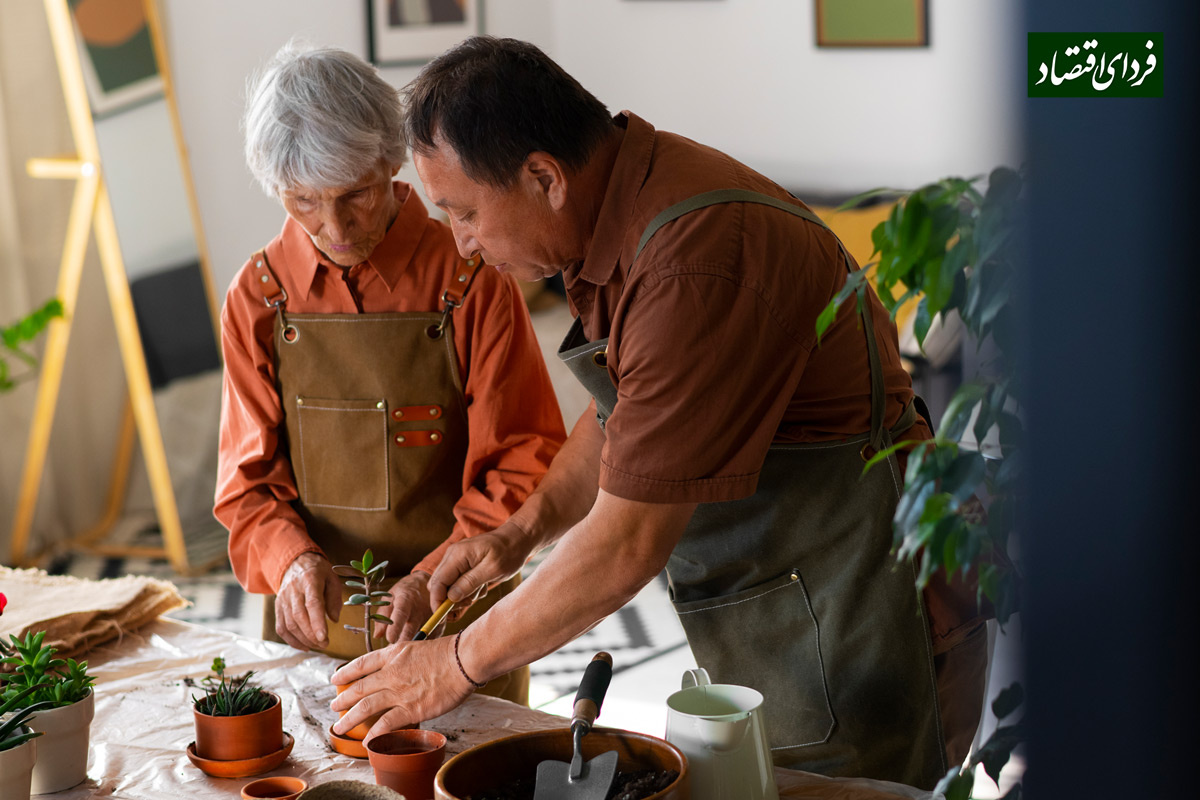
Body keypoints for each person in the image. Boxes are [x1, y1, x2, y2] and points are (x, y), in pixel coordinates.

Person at [331, 37, 989, 789]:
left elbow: (626, 542)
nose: (466, 245)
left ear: (544, 176)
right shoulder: (622, 205)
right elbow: (628, 410)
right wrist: (518, 533)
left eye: (465, 214)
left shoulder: (693, 259)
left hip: (864, 606)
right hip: (791, 607)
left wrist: (452, 663)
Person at [214, 41, 566, 706]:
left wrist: (430, 578)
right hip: (317, 626)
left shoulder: (472, 276)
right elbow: (247, 484)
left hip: (455, 619)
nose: (334, 227)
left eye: (356, 196)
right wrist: (293, 562)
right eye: (303, 202)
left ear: (391, 161)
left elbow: (524, 457)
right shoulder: (258, 295)